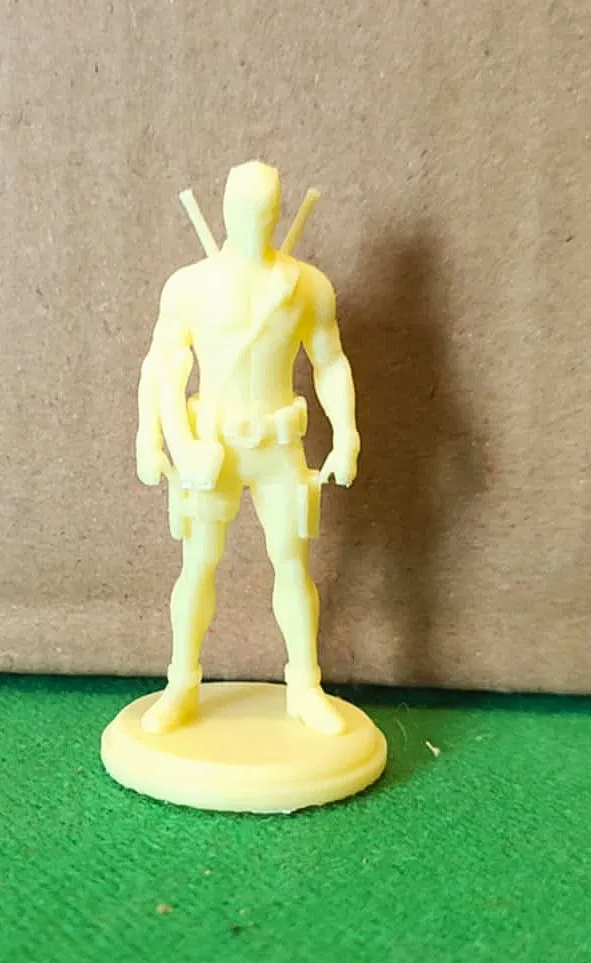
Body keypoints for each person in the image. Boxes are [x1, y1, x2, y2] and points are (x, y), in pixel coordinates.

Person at [134, 160, 360, 736]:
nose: (256, 222)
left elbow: (330, 362)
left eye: (266, 212)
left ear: (279, 212)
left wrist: (346, 433)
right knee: (198, 564)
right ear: (226, 209)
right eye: (245, 210)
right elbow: (161, 365)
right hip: (209, 448)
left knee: (292, 563)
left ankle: (305, 685)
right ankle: (181, 683)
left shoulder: (306, 286)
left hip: (279, 447)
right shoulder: (189, 286)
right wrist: (149, 436)